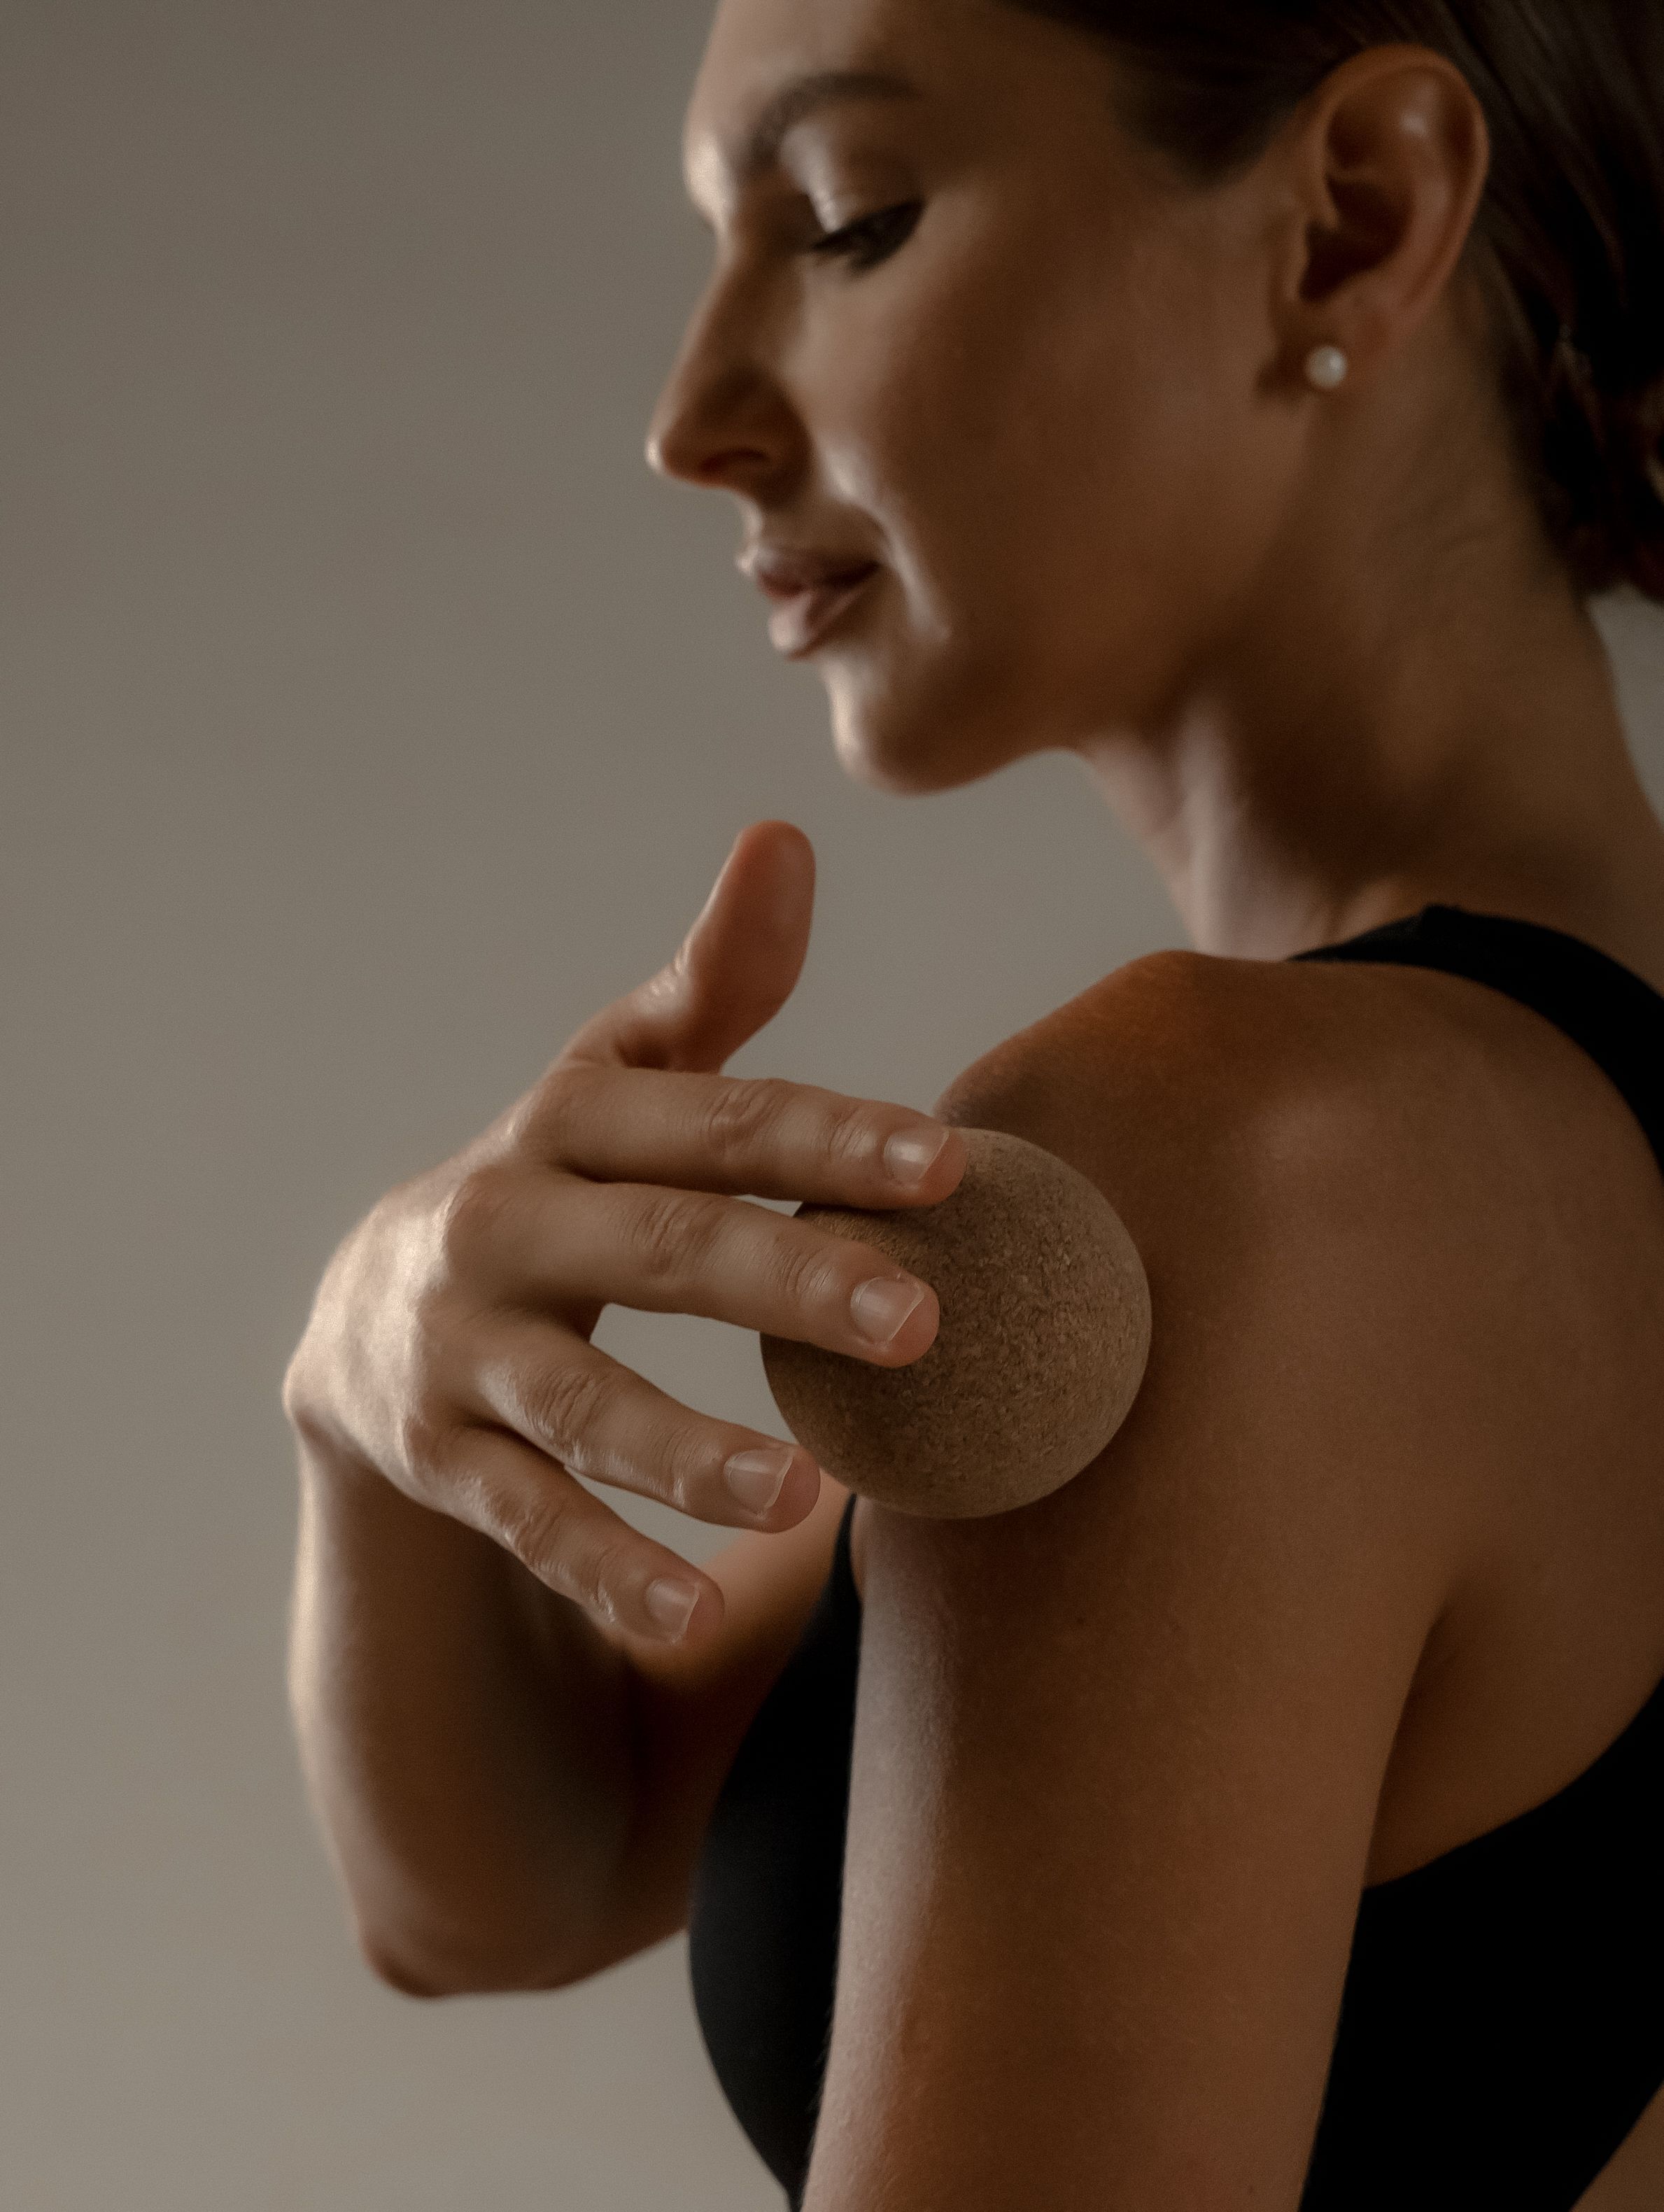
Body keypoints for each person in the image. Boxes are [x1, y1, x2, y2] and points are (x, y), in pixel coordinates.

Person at [281, 1, 1664, 2205]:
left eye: (849, 220)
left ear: (1351, 217)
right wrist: (369, 1382)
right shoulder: (1476, 1145)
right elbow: (520, 1877)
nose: (688, 419)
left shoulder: (1221, 1162)